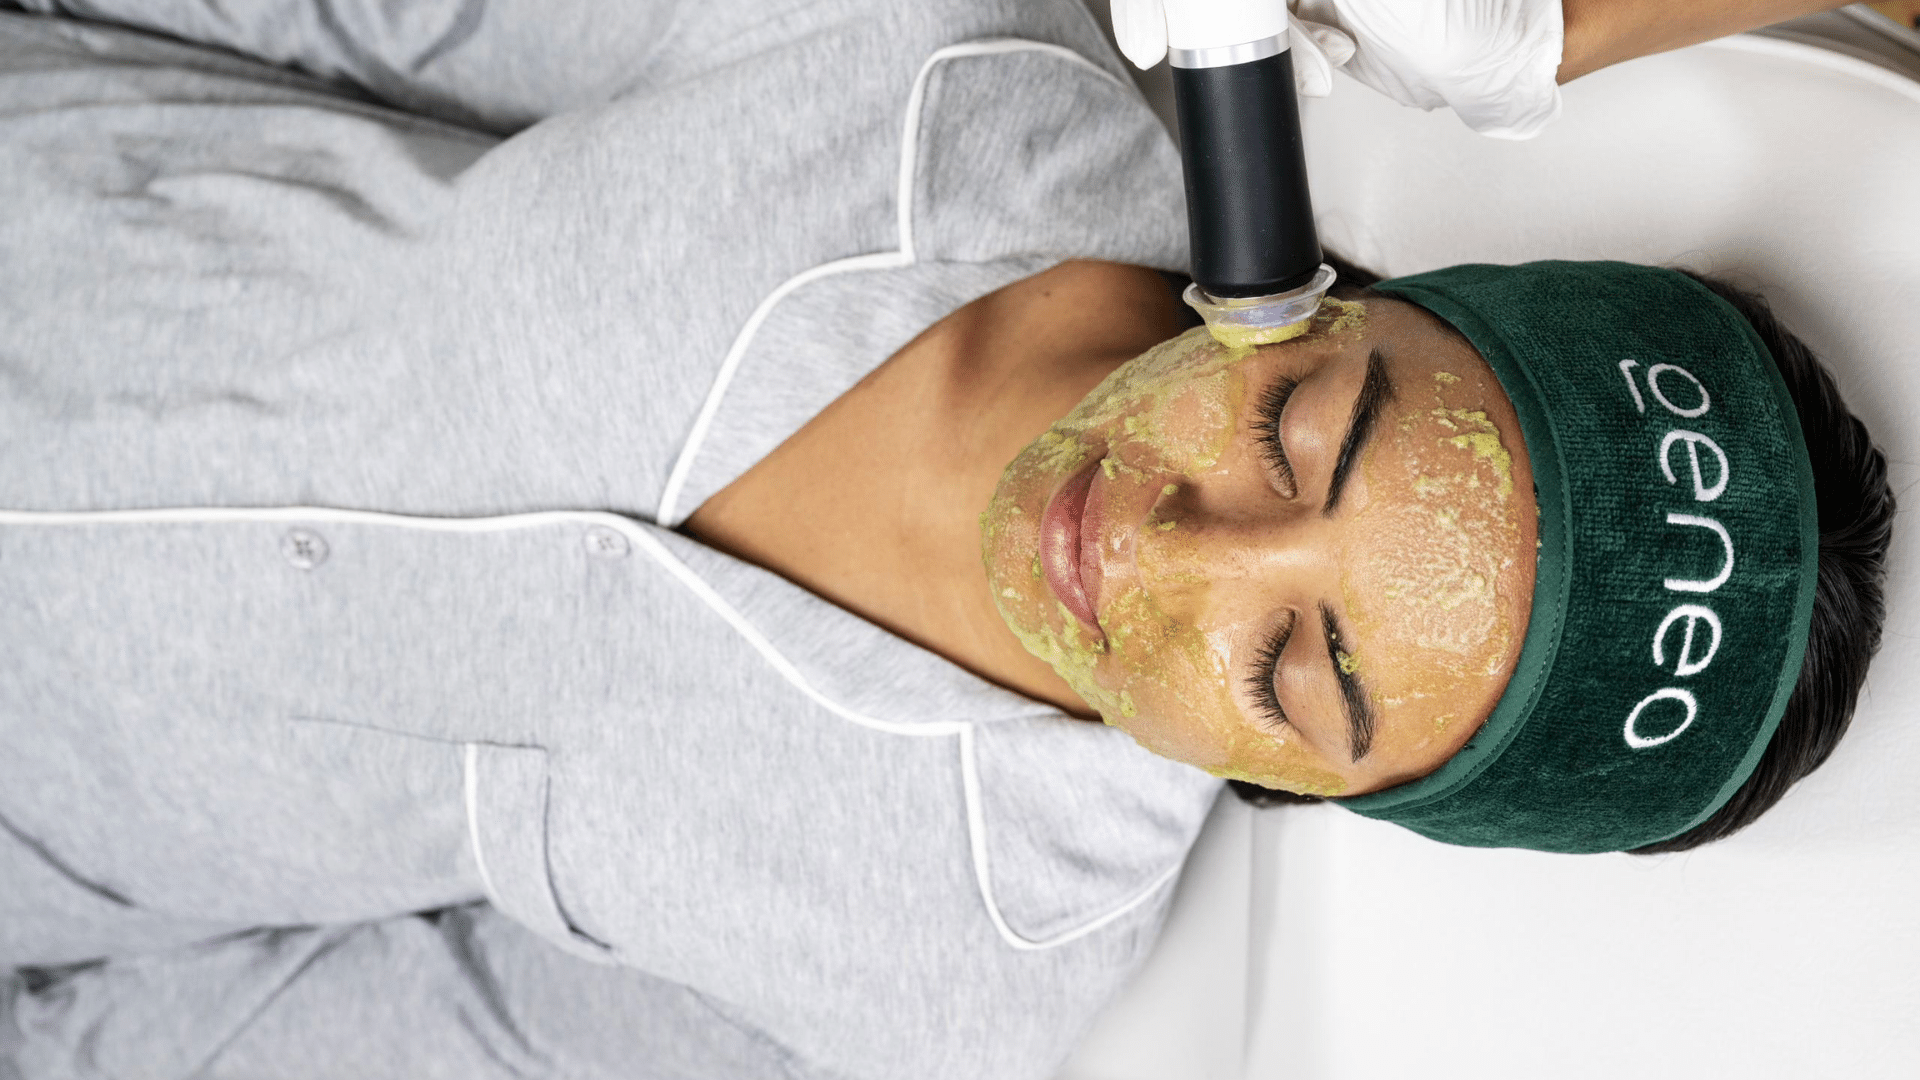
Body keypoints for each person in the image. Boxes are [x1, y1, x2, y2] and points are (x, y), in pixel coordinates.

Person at [0, 1, 1889, 1078]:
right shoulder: (916, 43)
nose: (1173, 554)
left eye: (1301, 671)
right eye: (1301, 430)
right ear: (1330, 288)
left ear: (1309, 792)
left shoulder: (944, 974)